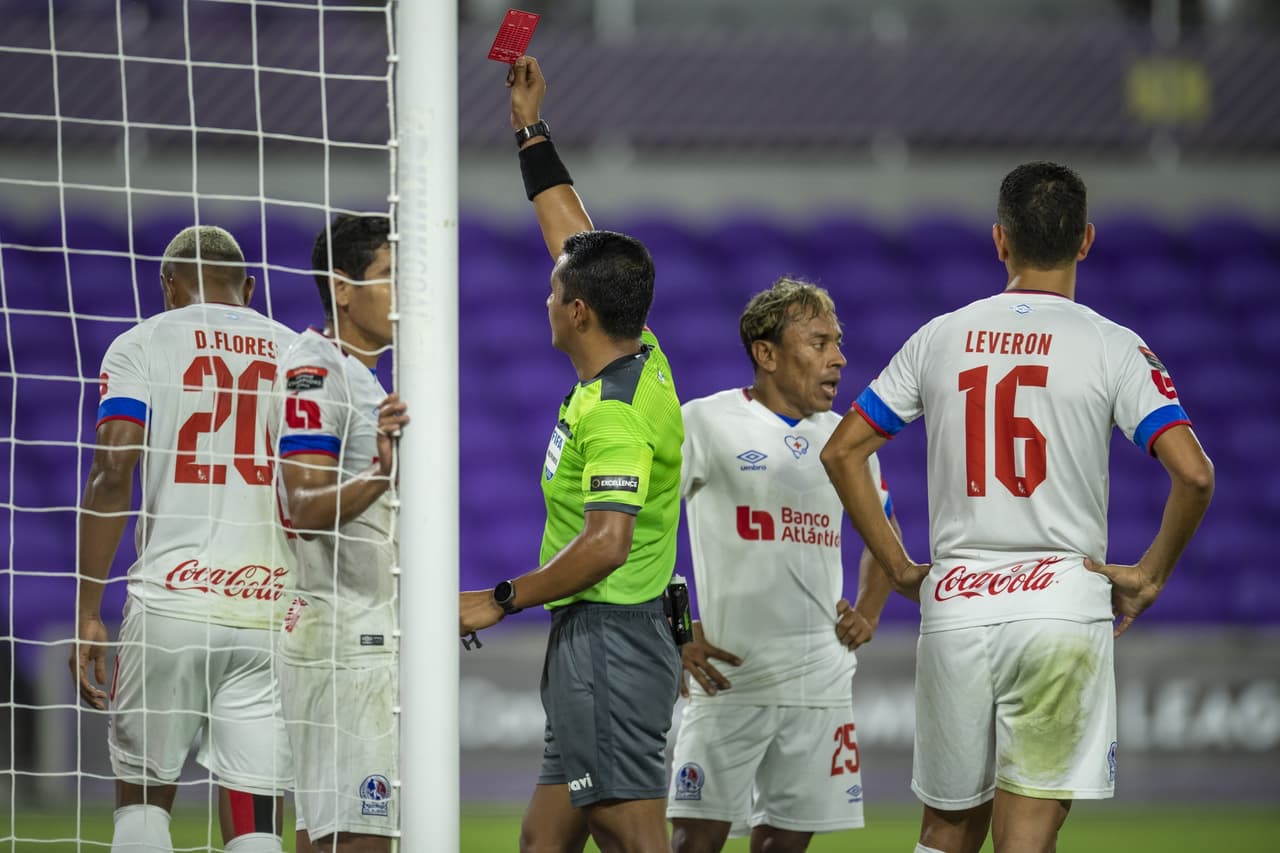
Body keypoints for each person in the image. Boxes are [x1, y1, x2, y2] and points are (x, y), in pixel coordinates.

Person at [820, 161, 1214, 853]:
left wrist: (903, 567)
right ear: (1086, 240)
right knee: (1026, 834)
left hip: (959, 603)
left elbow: (842, 452)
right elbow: (1196, 475)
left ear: (999, 241)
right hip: (1060, 601)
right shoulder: (1113, 345)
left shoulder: (939, 336)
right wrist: (1150, 574)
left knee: (946, 829)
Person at [458, 55, 683, 853]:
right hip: (595, 640)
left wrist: (502, 596)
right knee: (542, 842)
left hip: (612, 641)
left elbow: (607, 541)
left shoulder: (615, 413)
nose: (544, 297)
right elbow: (570, 231)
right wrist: (529, 127)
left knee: (633, 837)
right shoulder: (638, 347)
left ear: (578, 312)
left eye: (554, 291)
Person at [72, 225, 295, 852]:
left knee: (142, 806)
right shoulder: (299, 356)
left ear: (169, 287)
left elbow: (113, 470)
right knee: (256, 825)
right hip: (268, 609)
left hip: (170, 603)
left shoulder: (139, 345)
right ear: (248, 288)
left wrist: (89, 612)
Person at [667, 277, 899, 853]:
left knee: (784, 847)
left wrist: (868, 611)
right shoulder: (704, 422)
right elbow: (643, 526)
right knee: (693, 843)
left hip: (821, 681)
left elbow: (884, 533)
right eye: (818, 343)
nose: (839, 358)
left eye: (838, 343)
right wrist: (674, 627)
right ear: (766, 354)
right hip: (728, 681)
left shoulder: (846, 441)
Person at [272, 213, 409, 853]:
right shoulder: (318, 371)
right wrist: (383, 477)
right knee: (358, 839)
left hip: (358, 634)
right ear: (343, 288)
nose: (403, 293)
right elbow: (302, 503)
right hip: (343, 640)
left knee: (331, 833)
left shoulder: (359, 377)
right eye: (388, 276)